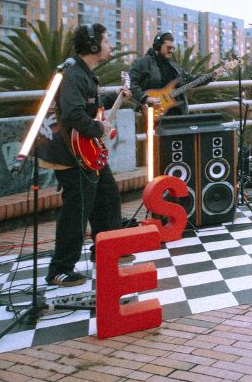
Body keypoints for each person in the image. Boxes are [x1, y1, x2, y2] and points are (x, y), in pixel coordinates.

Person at [39, 23, 131, 286]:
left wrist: (116, 96)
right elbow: (72, 113)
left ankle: (105, 249)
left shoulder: (87, 75)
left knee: (107, 196)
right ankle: (59, 269)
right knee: (77, 209)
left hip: (87, 152)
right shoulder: (73, 75)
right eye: (106, 41)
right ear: (93, 46)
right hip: (71, 154)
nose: (110, 45)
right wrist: (98, 128)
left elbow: (90, 106)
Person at [128, 32, 202, 118]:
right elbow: (130, 83)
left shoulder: (174, 67)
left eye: (172, 48)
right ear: (158, 46)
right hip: (151, 114)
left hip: (176, 115)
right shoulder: (142, 63)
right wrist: (146, 98)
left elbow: (190, 79)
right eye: (168, 47)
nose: (171, 51)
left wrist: (212, 76)